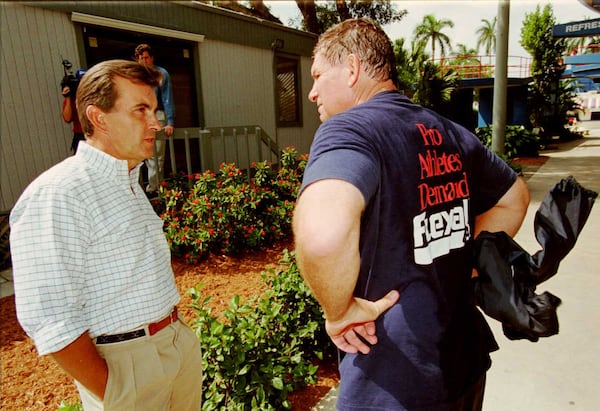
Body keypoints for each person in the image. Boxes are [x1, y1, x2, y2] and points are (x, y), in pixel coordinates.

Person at [292, 18, 530, 410]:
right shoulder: (448, 130)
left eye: (318, 76)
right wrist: (464, 261)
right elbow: (514, 199)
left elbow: (322, 236)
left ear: (351, 69)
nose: (312, 92)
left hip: (394, 381)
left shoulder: (350, 131)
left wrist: (339, 312)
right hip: (464, 366)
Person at [10, 60, 202, 410]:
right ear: (98, 118)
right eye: (140, 110)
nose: (155, 123)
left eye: (155, 110)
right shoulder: (60, 193)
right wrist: (116, 389)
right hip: (125, 367)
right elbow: (50, 316)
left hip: (175, 347)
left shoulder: (128, 182)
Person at [134, 43, 176, 194]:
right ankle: (142, 189)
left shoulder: (161, 74)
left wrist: (170, 121)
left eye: (146, 58)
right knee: (141, 152)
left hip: (157, 114)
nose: (144, 61)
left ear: (151, 58)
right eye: (140, 58)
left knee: (157, 154)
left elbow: (167, 98)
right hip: (139, 115)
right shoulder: (135, 75)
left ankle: (154, 189)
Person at [61, 69, 86, 153]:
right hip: (80, 136)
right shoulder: (72, 99)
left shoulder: (94, 96)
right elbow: (67, 118)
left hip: (96, 134)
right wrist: (68, 97)